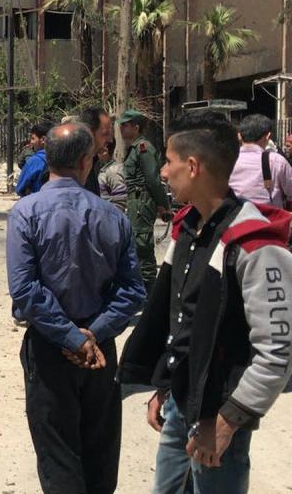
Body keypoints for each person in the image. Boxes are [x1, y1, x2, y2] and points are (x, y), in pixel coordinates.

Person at [119, 111, 292, 493]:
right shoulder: (187, 229)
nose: (162, 173)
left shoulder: (255, 244)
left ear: (193, 166)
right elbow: (181, 319)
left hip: (219, 416)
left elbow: (277, 350)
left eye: (168, 161)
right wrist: (164, 384)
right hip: (182, 403)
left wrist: (229, 420)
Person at [7, 123, 146, 494]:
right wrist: (92, 335)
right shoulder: (114, 217)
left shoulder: (26, 213)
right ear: (88, 161)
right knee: (100, 450)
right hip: (98, 351)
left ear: (46, 158)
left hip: (51, 346)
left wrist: (72, 337)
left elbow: (24, 290)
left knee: (58, 454)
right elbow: (133, 290)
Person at [119, 110, 171, 292]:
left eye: (124, 126)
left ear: (136, 127)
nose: (121, 129)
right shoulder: (134, 148)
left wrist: (164, 205)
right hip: (135, 200)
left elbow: (153, 181)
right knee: (137, 244)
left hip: (142, 201)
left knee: (143, 246)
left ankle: (150, 294)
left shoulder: (144, 148)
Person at [229, 113, 292, 208]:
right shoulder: (276, 161)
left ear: (240, 136)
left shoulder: (228, 160)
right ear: (268, 136)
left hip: (237, 219)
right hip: (269, 220)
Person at [77, 106, 113, 197]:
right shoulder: (70, 167)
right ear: (89, 133)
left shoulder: (92, 162)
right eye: (105, 134)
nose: (110, 140)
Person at [15, 121, 53, 197]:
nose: (31, 142)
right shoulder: (64, 158)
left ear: (42, 139)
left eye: (33, 138)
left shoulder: (35, 161)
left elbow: (20, 188)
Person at [98, 140, 128, 212]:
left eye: (99, 150)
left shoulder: (113, 171)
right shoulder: (104, 170)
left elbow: (120, 200)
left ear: (105, 151)